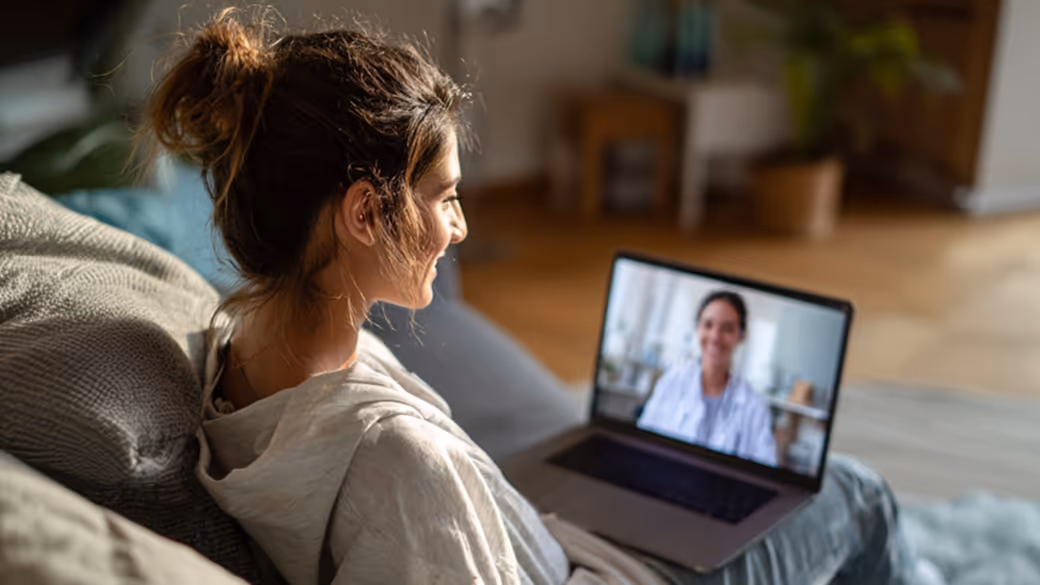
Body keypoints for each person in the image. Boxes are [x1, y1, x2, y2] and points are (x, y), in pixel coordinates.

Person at [138, 8, 944, 585]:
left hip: (555, 534)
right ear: (364, 212)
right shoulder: (396, 462)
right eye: (445, 195)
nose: (459, 227)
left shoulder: (232, 354)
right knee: (858, 494)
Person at [638, 291, 777, 467]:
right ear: (697, 328)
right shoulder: (670, 384)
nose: (715, 337)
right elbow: (642, 446)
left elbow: (765, 473)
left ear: (741, 336)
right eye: (708, 325)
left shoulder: (754, 407)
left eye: (727, 329)